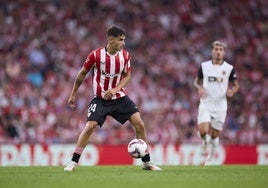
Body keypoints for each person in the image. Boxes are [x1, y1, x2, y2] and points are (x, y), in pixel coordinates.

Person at [64, 25, 162, 171]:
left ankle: (147, 163)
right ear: (110, 40)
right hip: (100, 99)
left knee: (140, 124)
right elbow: (82, 74)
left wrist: (115, 89)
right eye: (120, 40)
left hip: (120, 98)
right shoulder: (96, 55)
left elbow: (127, 76)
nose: (123, 43)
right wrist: (73, 94)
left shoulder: (125, 55)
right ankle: (73, 162)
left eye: (124, 40)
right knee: (90, 127)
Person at [194, 41, 239, 165]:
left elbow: (235, 85)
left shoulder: (229, 68)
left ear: (223, 52)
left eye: (221, 49)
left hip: (220, 105)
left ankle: (210, 158)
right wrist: (200, 88)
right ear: (212, 51)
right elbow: (197, 81)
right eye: (216, 49)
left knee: (214, 135)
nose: (218, 51)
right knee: (203, 131)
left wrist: (232, 91)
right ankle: (204, 141)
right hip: (206, 103)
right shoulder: (204, 66)